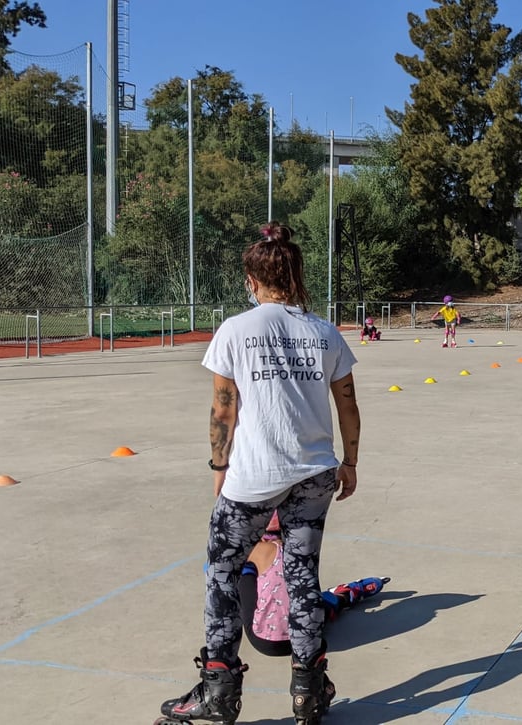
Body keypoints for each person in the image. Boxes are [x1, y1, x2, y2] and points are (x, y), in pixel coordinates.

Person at [157, 222, 361, 725]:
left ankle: (219, 691)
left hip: (255, 475)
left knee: (223, 574)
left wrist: (219, 466)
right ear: (295, 275)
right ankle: (309, 691)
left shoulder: (236, 329)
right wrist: (350, 462)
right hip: (315, 473)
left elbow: (223, 410)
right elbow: (348, 407)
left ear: (252, 280)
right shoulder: (325, 332)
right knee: (303, 577)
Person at [239, 512, 388, 658]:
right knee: (305, 596)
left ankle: (339, 597)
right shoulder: (305, 547)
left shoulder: (259, 549)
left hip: (266, 643)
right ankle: (344, 595)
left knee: (243, 572)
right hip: (310, 637)